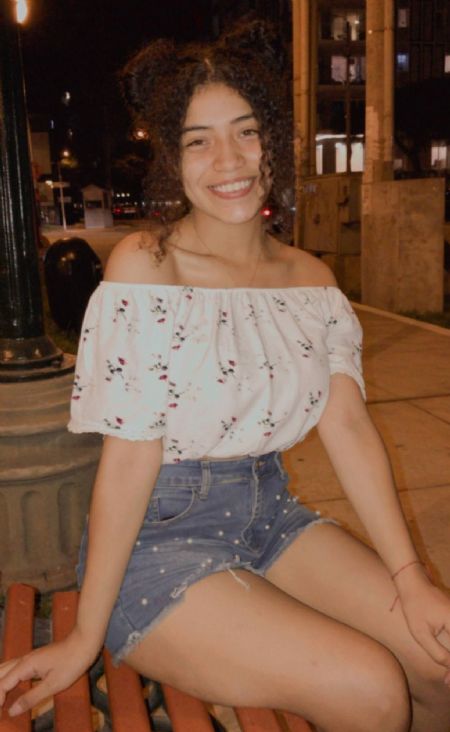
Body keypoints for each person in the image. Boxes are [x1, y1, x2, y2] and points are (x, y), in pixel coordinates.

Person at [1, 21, 450, 732]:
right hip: (159, 541)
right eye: (198, 141)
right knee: (371, 689)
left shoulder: (310, 280)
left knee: (439, 658)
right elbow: (129, 458)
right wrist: (85, 635)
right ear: (172, 160)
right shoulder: (149, 267)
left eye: (246, 132)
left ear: (273, 141)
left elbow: (348, 427)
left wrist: (411, 578)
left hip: (271, 516)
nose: (228, 160)